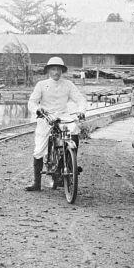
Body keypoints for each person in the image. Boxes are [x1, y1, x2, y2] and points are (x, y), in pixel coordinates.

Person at [26, 56, 87, 191]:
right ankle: (37, 182)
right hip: (46, 118)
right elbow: (32, 102)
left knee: (73, 132)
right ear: (48, 70)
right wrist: (37, 109)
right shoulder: (41, 85)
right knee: (39, 150)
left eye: (58, 69)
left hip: (63, 117)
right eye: (53, 69)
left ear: (62, 71)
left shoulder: (68, 85)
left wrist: (81, 111)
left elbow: (80, 99)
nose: (56, 72)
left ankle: (70, 163)